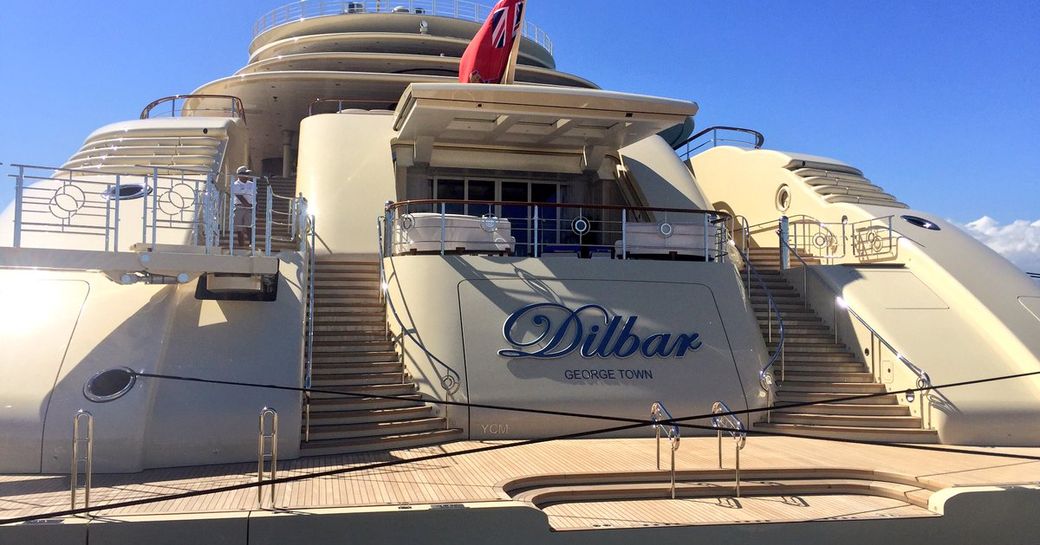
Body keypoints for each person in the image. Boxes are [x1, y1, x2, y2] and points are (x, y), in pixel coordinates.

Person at [231, 165, 257, 250]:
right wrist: (247, 205)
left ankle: (251, 243)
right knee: (239, 228)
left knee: (250, 226)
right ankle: (241, 245)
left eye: (248, 174)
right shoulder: (235, 184)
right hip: (239, 207)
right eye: (245, 174)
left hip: (250, 207)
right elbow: (239, 197)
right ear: (239, 175)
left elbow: (255, 195)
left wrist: (255, 206)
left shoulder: (252, 184)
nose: (247, 175)